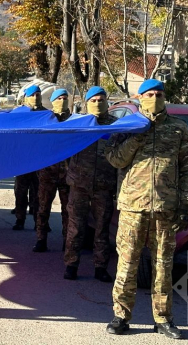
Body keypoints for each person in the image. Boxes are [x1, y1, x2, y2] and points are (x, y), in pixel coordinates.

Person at [104, 79, 188, 338]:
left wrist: (185, 205)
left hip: (165, 209)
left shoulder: (178, 129)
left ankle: (164, 319)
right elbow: (115, 159)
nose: (154, 98)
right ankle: (121, 316)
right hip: (133, 207)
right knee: (127, 264)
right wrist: (137, 136)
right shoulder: (127, 127)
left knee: (163, 266)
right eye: (149, 94)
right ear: (139, 97)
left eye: (158, 94)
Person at [64, 86, 117, 282]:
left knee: (102, 228)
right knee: (76, 227)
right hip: (79, 185)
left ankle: (100, 267)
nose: (97, 103)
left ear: (107, 102)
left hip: (104, 186)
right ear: (86, 103)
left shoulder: (115, 126)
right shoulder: (77, 124)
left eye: (101, 100)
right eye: (93, 100)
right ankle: (71, 264)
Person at [33, 88, 71, 253]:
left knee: (67, 210)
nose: (62, 101)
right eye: (59, 98)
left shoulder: (75, 121)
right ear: (53, 101)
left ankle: (66, 241)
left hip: (68, 175)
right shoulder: (46, 120)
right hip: (47, 172)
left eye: (65, 98)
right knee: (43, 208)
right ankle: (41, 239)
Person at [12, 84, 42, 230]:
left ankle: (39, 221)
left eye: (38, 95)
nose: (36, 98)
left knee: (38, 194)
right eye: (32, 95)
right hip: (22, 160)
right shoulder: (18, 113)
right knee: (21, 192)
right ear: (26, 98)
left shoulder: (46, 114)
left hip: (39, 161)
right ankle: (20, 219)